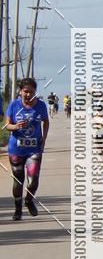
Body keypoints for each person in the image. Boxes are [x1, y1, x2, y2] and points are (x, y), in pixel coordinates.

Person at [5, 77, 49, 220]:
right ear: (20, 91)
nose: (28, 95)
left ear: (35, 92)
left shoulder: (41, 105)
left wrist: (44, 139)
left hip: (34, 149)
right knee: (18, 180)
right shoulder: (14, 105)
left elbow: (46, 122)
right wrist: (16, 126)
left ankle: (29, 201)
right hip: (16, 149)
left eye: (31, 92)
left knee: (33, 180)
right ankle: (17, 209)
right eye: (25, 91)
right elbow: (8, 125)